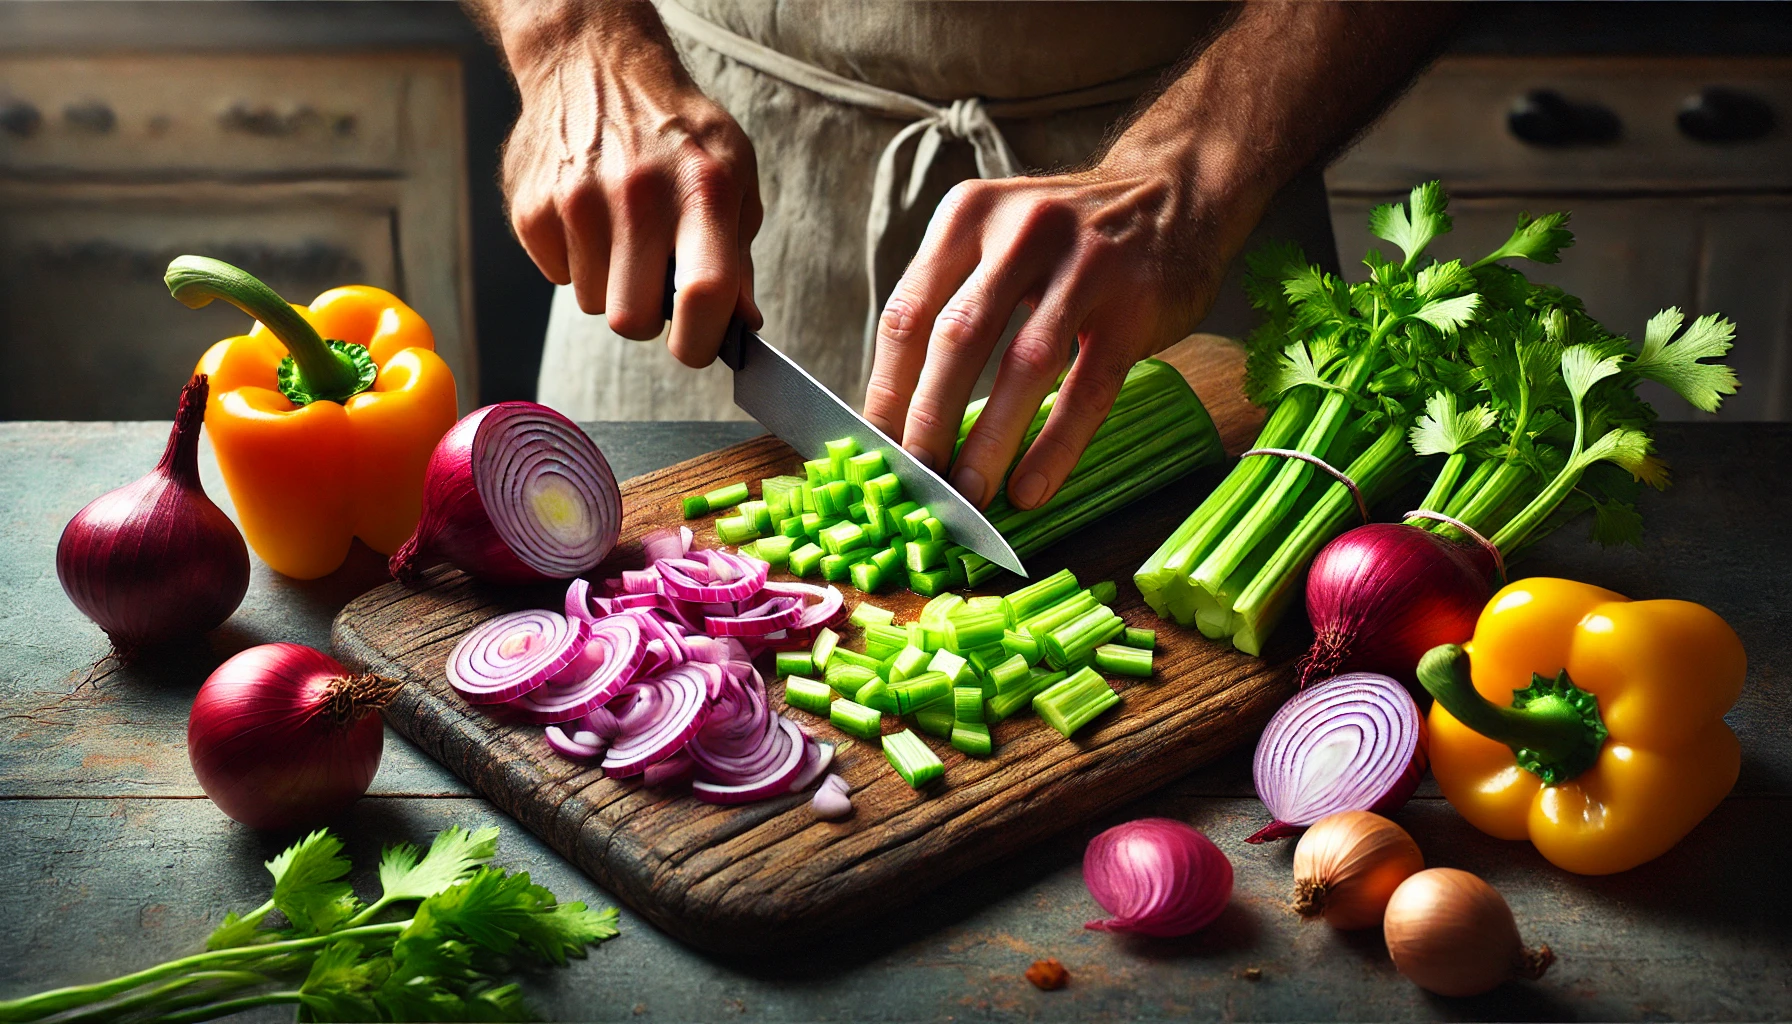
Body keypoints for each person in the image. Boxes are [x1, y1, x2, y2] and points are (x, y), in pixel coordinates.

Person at [469, 0, 1459, 510]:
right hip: (685, 181)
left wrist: (1193, 178)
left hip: (1188, 194)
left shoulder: (1192, 190)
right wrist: (569, 36)